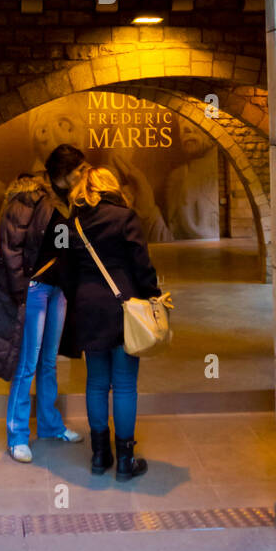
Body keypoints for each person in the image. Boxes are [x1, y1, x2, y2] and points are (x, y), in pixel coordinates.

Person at [0, 143, 87, 462]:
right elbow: (10, 248)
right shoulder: (29, 197)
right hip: (35, 290)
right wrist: (25, 285)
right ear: (64, 171)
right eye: (79, 170)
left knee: (48, 361)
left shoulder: (70, 201)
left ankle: (50, 425)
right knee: (27, 364)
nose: (83, 175)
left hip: (57, 290)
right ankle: (17, 435)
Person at [58, 166, 162, 481]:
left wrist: (78, 298)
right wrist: (152, 296)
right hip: (123, 305)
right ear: (111, 187)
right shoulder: (124, 217)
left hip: (88, 307)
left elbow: (65, 269)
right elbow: (141, 264)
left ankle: (100, 455)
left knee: (97, 382)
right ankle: (126, 461)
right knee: (126, 384)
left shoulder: (72, 222)